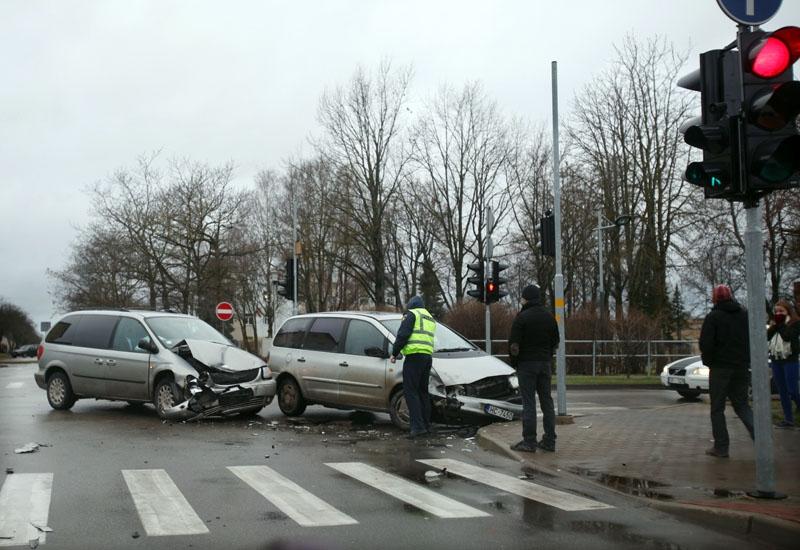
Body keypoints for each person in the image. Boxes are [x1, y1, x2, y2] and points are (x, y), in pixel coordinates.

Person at [699, 284, 755, 458]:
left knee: (717, 408)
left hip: (720, 368)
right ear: (731, 296)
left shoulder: (713, 317)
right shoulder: (745, 316)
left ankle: (721, 447)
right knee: (742, 405)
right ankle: (761, 439)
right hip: (741, 367)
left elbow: (706, 344)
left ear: (714, 298)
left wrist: (709, 362)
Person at [507, 284, 559, 453]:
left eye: (522, 297)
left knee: (529, 403)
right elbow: (555, 342)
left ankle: (529, 441)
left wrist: (515, 362)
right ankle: (550, 440)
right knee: (547, 402)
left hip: (526, 364)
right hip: (544, 363)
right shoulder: (549, 317)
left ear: (526, 299)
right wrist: (547, 357)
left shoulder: (522, 318)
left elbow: (514, 345)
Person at [390, 296, 436, 439]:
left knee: (411, 392)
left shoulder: (411, 315)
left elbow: (402, 335)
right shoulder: (429, 317)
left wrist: (394, 353)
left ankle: (417, 427)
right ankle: (426, 425)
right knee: (423, 392)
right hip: (427, 357)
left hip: (414, 357)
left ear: (411, 305)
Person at [767, 299, 800, 428]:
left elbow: (787, 336)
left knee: (792, 389)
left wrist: (780, 325)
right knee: (782, 391)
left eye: (781, 311)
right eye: (777, 311)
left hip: (790, 359)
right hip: (776, 359)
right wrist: (774, 325)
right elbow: (767, 336)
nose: (779, 313)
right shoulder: (775, 325)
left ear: (788, 311)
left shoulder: (795, 324)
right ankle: (788, 419)